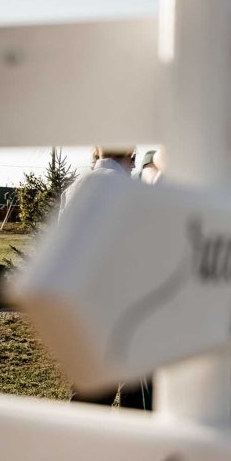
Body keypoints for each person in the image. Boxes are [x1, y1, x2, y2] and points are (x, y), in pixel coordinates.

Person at [64, 146, 152, 411]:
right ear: (131, 153)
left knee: (88, 399)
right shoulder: (130, 190)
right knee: (134, 401)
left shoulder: (75, 188)